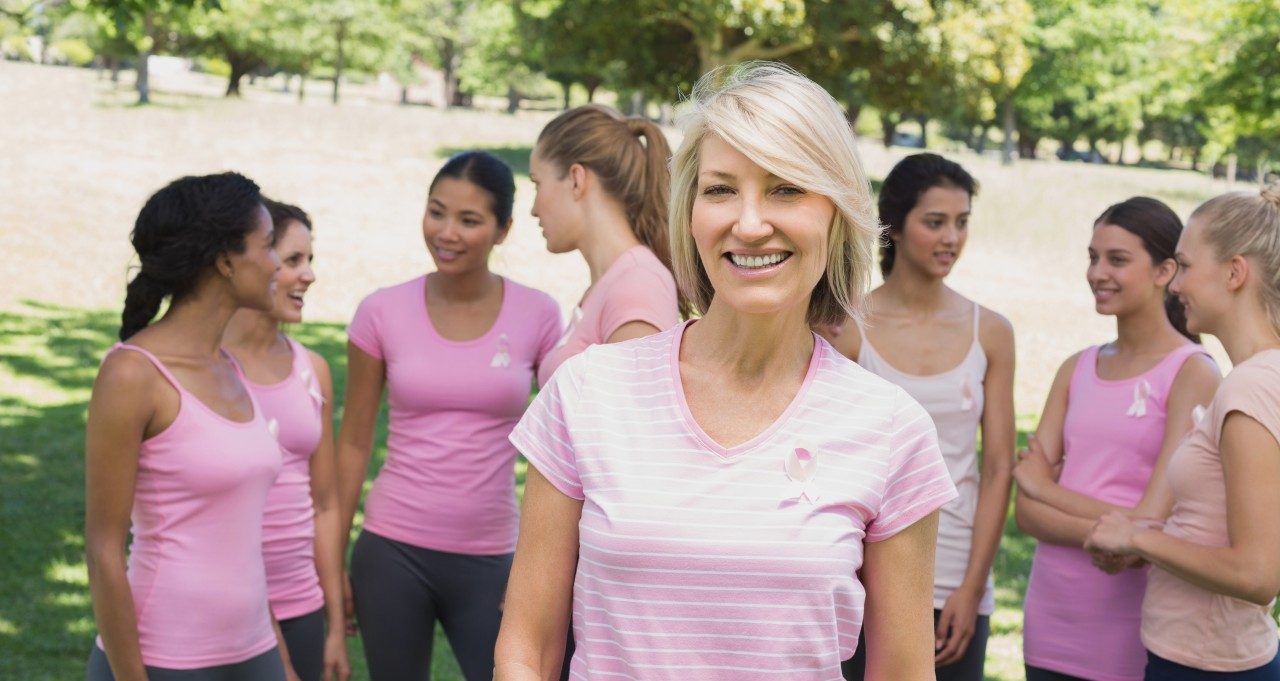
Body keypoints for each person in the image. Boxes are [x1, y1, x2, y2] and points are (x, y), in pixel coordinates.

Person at [495, 61, 958, 681]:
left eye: (786, 187)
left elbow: (903, 671)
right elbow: (529, 645)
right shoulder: (585, 393)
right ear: (690, 213)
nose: (748, 222)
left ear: (838, 212)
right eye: (720, 190)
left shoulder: (892, 430)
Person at [336, 151, 562, 681]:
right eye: (436, 212)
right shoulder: (380, 311)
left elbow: (563, 450)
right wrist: (331, 565)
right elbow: (352, 444)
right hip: (392, 552)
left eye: (469, 220)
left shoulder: (539, 314)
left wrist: (542, 570)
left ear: (504, 229)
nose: (447, 232)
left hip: (493, 557)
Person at [84, 173, 291, 680]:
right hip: (165, 658)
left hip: (255, 649)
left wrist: (280, 658)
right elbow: (103, 547)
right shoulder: (133, 373)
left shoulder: (231, 368)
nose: (276, 264)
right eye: (267, 247)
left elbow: (241, 539)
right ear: (224, 261)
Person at [822, 153, 1015, 681]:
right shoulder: (848, 329)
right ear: (896, 227)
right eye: (935, 222)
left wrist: (972, 589)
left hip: (956, 575)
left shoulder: (991, 332)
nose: (951, 237)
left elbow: (998, 468)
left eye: (962, 222)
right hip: (863, 577)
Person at [1014, 197, 1221, 681]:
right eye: (1092, 257)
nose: (1097, 272)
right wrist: (1122, 529)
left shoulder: (1192, 371)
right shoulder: (1076, 367)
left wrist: (1048, 491)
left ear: (1165, 271)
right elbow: (1025, 513)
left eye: (1117, 259)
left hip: (1129, 628)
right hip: (1049, 620)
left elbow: (1150, 528)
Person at [1086, 184, 1280, 679]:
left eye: (1186, 266)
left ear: (1235, 272)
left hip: (1208, 665)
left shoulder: (1251, 387)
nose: (1174, 285)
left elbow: (1258, 574)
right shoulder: (1260, 376)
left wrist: (1137, 537)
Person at [222, 200, 350, 681]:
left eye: (310, 261)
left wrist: (334, 623)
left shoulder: (311, 370)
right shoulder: (209, 371)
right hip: (232, 608)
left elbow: (326, 503)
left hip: (302, 604)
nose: (309, 275)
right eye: (293, 260)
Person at [530, 103, 683, 387]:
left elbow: (634, 422)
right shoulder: (612, 282)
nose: (534, 209)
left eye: (537, 184)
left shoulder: (637, 286)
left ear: (576, 180)